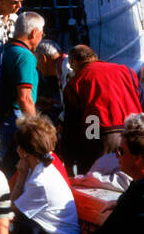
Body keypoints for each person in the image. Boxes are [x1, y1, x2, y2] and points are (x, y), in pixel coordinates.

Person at [61, 44, 144, 175]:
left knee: (93, 179)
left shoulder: (76, 82)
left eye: (72, 67)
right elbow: (140, 99)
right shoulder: (127, 71)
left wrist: (69, 161)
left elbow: (71, 126)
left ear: (75, 62)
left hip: (97, 134)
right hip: (133, 131)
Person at [0, 11, 43, 172]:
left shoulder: (2, 50)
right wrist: (37, 128)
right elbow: (24, 98)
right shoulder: (25, 56)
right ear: (34, 33)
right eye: (41, 34)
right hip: (15, 119)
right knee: (15, 167)